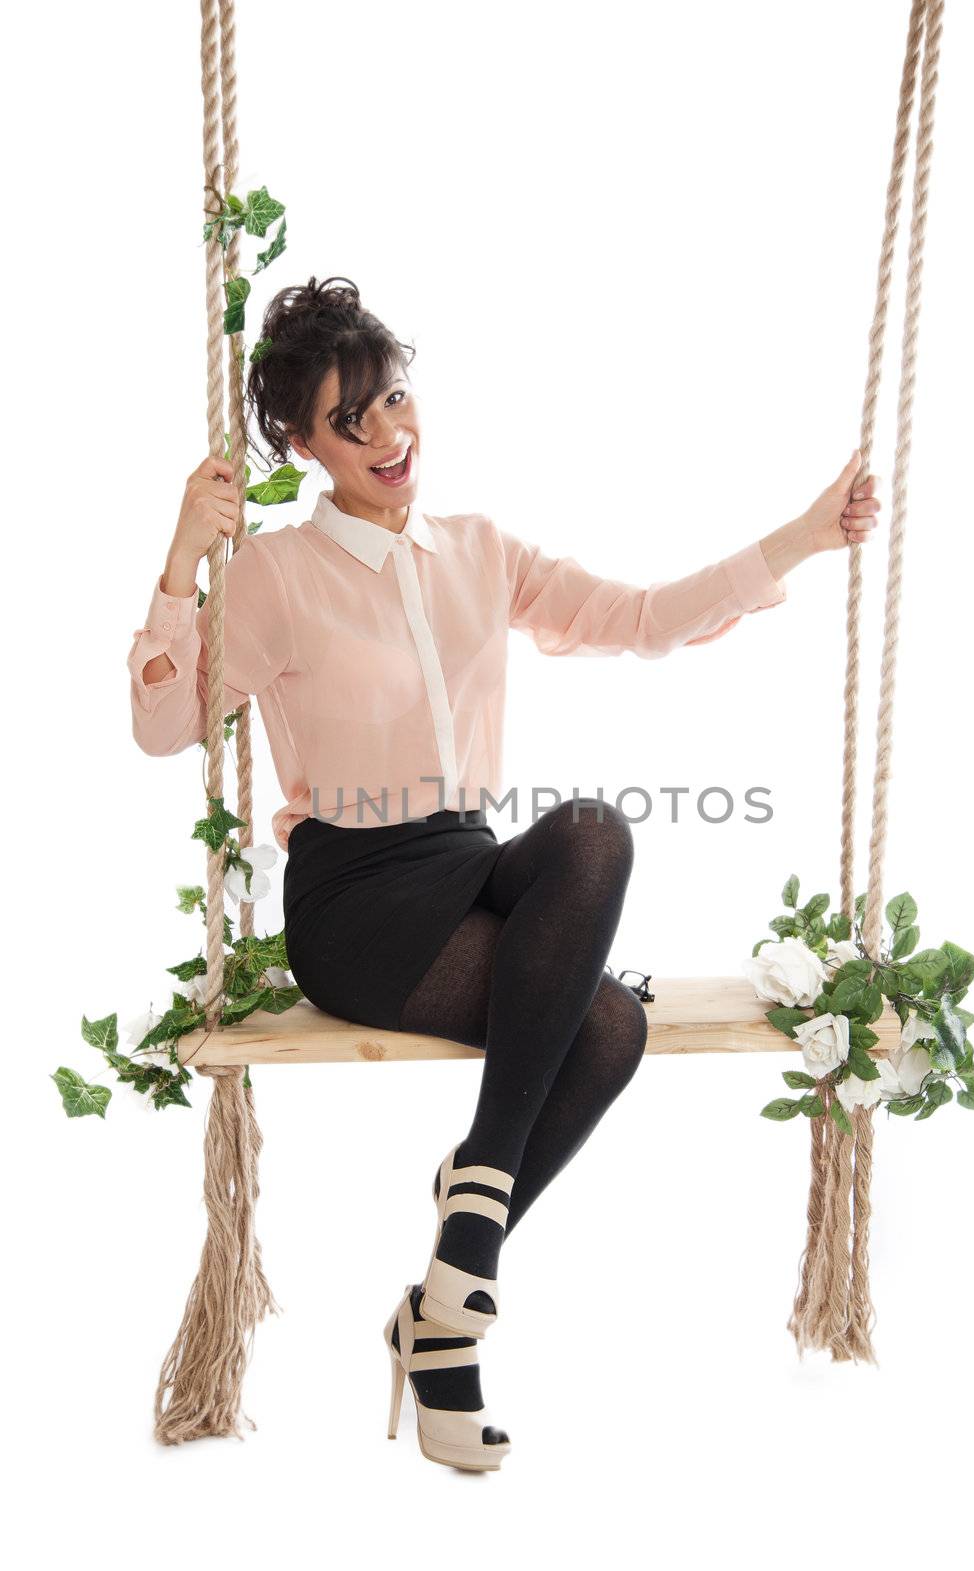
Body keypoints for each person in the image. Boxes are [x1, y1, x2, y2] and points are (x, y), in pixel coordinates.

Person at [127, 275, 880, 1472]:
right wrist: (180, 563)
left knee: (594, 861)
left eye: (394, 400)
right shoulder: (272, 574)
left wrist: (802, 531)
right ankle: (459, 1297)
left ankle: (450, 1274)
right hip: (356, 900)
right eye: (350, 422)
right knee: (608, 1022)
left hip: (465, 864)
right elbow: (167, 732)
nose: (389, 437)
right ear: (301, 445)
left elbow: (640, 615)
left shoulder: (479, 551)